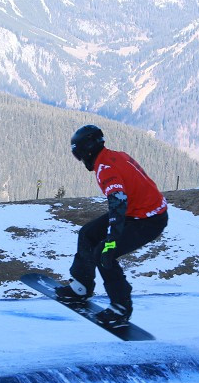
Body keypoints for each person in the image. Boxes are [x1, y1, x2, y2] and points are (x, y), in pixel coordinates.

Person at [55, 125, 169, 328]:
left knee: (103, 254)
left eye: (78, 155)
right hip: (136, 212)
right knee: (87, 234)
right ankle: (81, 286)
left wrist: (111, 240)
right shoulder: (114, 156)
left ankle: (121, 307)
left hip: (149, 220)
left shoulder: (105, 169)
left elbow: (118, 204)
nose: (80, 160)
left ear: (86, 151)